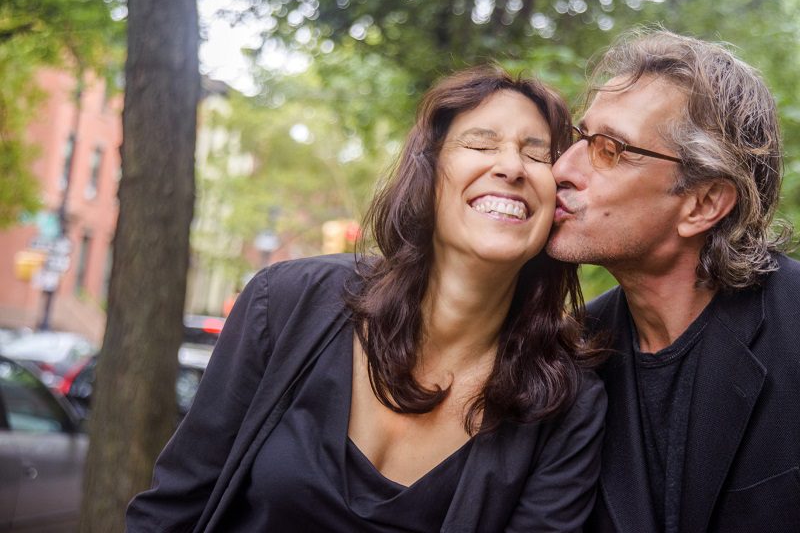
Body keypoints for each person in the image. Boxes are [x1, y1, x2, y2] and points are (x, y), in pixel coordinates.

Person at [127, 65, 607, 532]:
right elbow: (171, 511)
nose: (510, 166)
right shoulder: (285, 302)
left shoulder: (568, 405)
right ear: (429, 173)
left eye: (538, 154)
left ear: (557, 202)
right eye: (480, 142)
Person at [547, 28, 800, 533]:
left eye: (610, 149)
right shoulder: (569, 353)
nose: (562, 169)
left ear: (703, 203)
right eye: (581, 138)